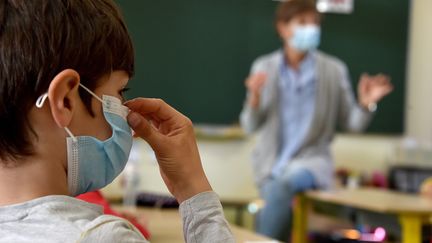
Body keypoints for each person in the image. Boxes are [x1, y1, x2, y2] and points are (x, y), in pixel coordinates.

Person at [0, 0, 234, 242]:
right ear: (65, 100)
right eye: (120, 91)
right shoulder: (103, 238)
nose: (126, 110)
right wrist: (193, 187)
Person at [239, 0, 393, 241]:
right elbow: (249, 125)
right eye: (302, 23)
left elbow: (352, 124)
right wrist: (255, 98)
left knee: (283, 188)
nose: (311, 28)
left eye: (315, 23)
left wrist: (366, 103)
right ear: (283, 28)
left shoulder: (333, 70)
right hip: (272, 164)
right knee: (276, 203)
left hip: (312, 161)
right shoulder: (264, 67)